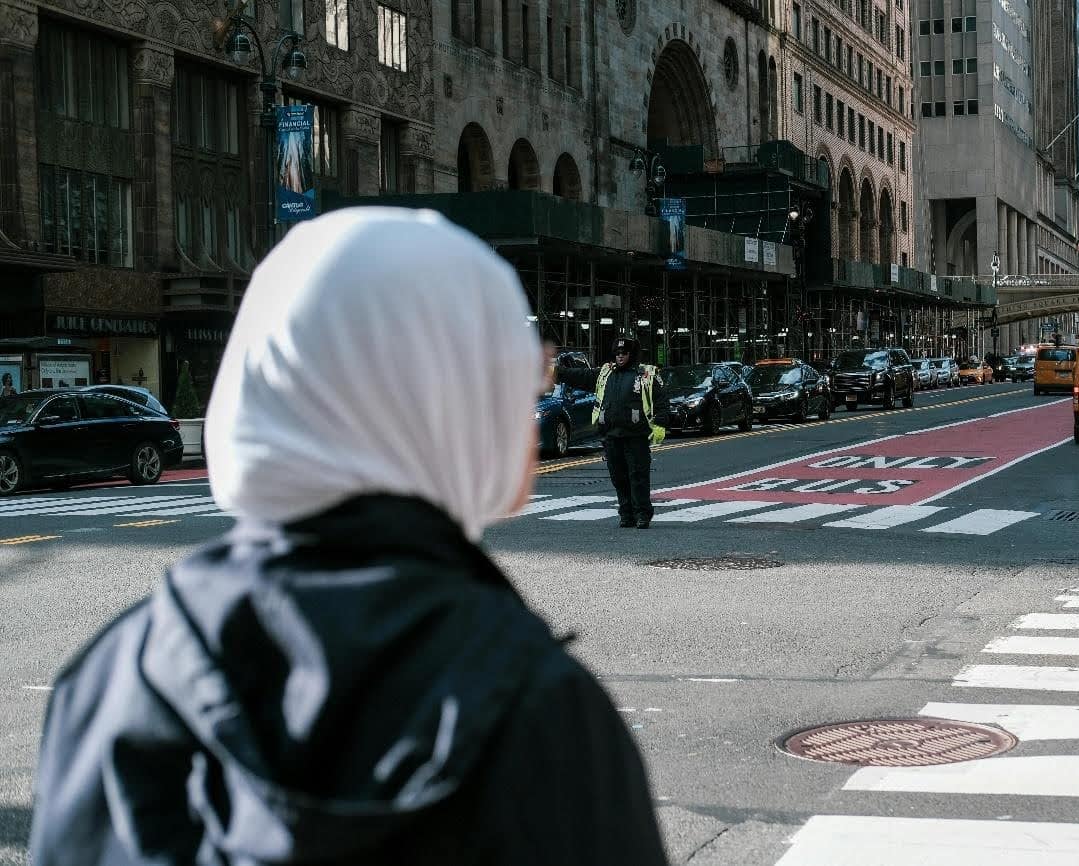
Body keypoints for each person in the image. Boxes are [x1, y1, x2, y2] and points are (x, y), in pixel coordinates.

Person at [28, 207, 668, 866]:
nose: (525, 422)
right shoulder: (538, 714)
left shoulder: (112, 678)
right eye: (509, 382)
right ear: (434, 402)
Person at [555, 336, 666, 528]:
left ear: (631, 355)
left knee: (638, 477)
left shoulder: (645, 375)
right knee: (618, 477)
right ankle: (626, 514)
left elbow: (662, 401)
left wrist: (661, 424)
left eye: (624, 353)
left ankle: (642, 514)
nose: (620, 356)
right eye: (617, 353)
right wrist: (557, 372)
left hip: (636, 436)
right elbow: (580, 376)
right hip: (612, 436)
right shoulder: (605, 373)